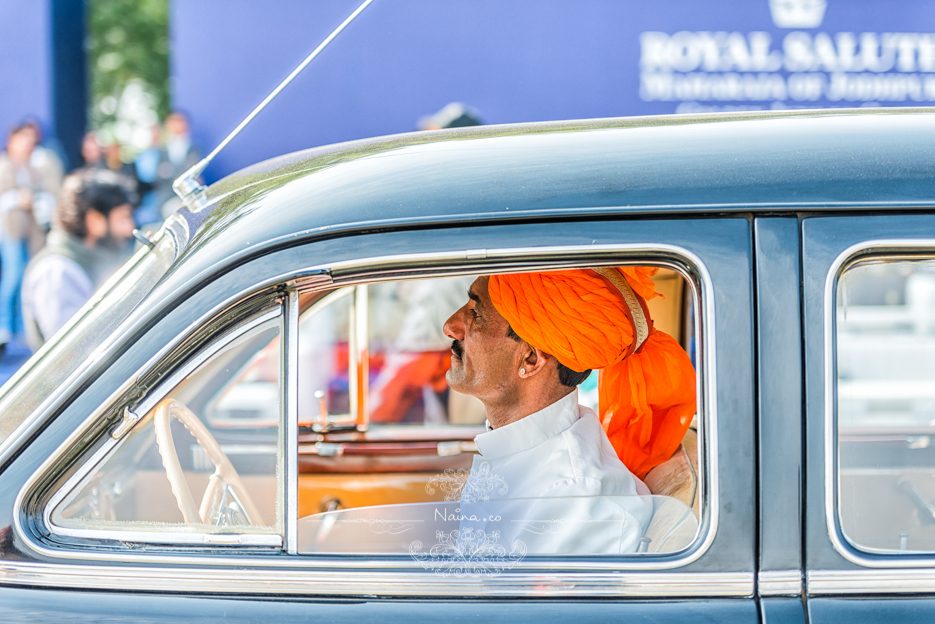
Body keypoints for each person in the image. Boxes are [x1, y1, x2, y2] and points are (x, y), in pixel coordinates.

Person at [440, 268, 696, 554]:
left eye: (476, 314)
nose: (450, 327)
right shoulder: (528, 457)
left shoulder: (572, 502)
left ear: (531, 358)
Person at [21, 169, 136, 349]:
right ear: (94, 220)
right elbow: (72, 352)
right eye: (122, 218)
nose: (130, 228)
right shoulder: (57, 271)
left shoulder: (91, 258)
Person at [0, 123, 59, 349]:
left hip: (31, 231)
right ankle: (4, 327)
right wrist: (17, 198)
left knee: (28, 277)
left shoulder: (34, 167)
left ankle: (25, 330)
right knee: (12, 277)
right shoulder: (4, 165)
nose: (26, 145)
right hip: (10, 230)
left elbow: (47, 192)